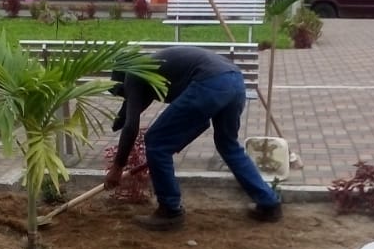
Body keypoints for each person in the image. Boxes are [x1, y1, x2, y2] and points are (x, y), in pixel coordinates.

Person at [104, 45, 283, 231]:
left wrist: (117, 167)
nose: (126, 95)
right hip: (234, 80)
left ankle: (170, 210)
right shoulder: (153, 69)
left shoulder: (134, 75)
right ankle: (269, 203)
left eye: (123, 92)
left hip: (209, 81)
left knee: (156, 142)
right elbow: (131, 115)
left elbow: (131, 126)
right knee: (228, 145)